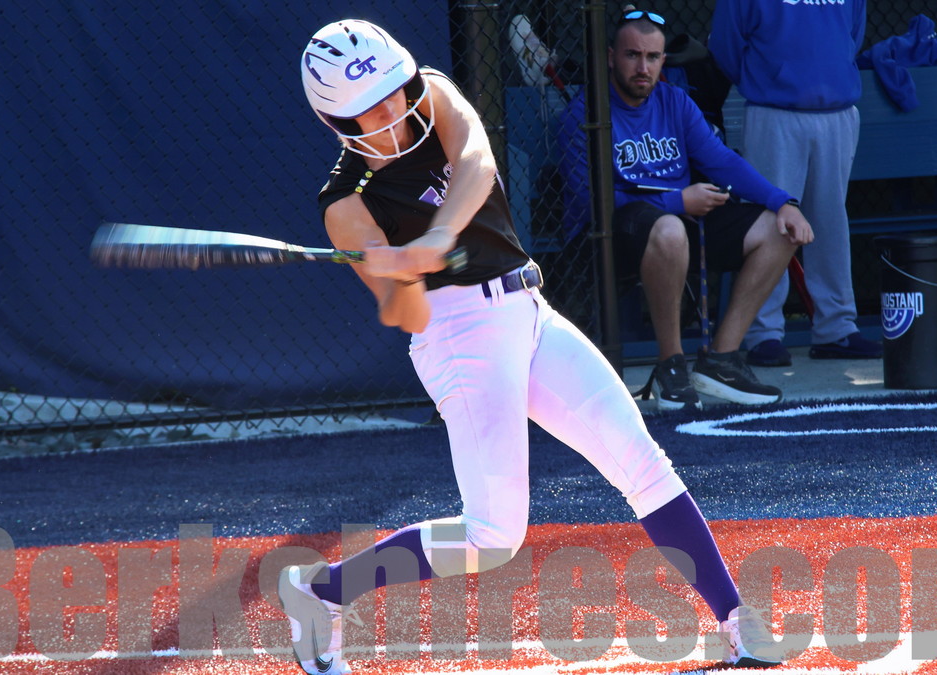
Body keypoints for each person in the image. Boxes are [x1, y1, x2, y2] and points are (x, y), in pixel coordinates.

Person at [280, 18, 781, 674]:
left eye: (395, 90)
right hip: (457, 336)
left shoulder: (432, 94)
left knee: (641, 460)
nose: (395, 109)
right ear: (337, 123)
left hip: (528, 307)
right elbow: (403, 311)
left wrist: (437, 237)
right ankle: (322, 591)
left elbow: (476, 162)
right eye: (372, 108)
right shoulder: (346, 204)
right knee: (493, 535)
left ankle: (737, 622)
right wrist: (396, 271)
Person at [557, 9, 814, 410]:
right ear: (611, 57)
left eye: (652, 57)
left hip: (676, 223)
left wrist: (783, 201)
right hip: (606, 237)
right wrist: (677, 201)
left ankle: (721, 361)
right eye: (632, 55)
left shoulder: (675, 101)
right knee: (670, 229)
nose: (643, 68)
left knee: (778, 231)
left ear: (664, 60)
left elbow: (722, 161)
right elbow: (593, 204)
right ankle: (671, 365)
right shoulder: (583, 115)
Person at [710, 0, 882, 367]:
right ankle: (763, 333)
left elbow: (852, 35)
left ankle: (836, 328)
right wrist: (767, 80)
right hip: (774, 111)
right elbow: (725, 44)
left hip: (837, 110)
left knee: (831, 222)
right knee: (769, 222)